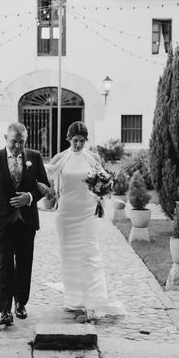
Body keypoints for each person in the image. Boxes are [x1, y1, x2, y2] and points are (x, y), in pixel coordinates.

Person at [42, 121, 126, 322]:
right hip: (66, 213)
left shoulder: (93, 158)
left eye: (81, 141)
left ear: (86, 141)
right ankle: (73, 300)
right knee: (69, 256)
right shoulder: (60, 158)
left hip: (87, 213)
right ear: (68, 139)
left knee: (90, 254)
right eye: (75, 141)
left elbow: (104, 182)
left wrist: (101, 195)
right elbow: (45, 175)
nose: (78, 145)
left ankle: (95, 298)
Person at [0, 122, 50, 326]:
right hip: (3, 221)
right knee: (5, 264)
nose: (17, 146)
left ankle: (20, 303)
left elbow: (44, 187)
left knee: (25, 263)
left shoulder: (34, 157)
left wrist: (29, 196)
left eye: (21, 142)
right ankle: (5, 310)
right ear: (5, 138)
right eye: (13, 142)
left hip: (26, 221)